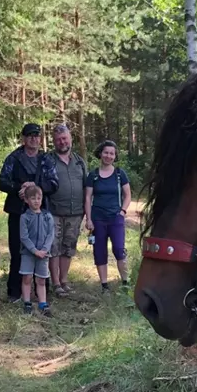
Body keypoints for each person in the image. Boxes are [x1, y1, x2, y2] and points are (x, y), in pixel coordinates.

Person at [0, 123, 58, 301]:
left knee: (41, 249)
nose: (34, 138)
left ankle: (42, 293)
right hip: (18, 211)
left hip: (42, 212)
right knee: (17, 251)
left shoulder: (46, 159)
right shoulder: (14, 158)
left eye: (37, 135)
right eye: (30, 135)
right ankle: (15, 292)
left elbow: (54, 183)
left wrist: (36, 187)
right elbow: (2, 182)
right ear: (23, 138)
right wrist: (19, 187)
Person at [84, 140, 133, 293]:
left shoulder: (120, 174)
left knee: (119, 250)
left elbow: (128, 195)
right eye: (106, 152)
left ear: (115, 156)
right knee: (99, 251)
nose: (108, 156)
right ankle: (104, 286)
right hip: (98, 219)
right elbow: (87, 198)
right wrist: (89, 219)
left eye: (112, 153)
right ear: (100, 153)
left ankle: (125, 282)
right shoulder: (93, 175)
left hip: (115, 218)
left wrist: (122, 212)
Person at [46, 124, 86, 297]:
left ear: (70, 139)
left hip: (75, 212)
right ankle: (55, 283)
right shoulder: (48, 160)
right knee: (53, 247)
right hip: (53, 211)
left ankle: (64, 280)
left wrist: (87, 212)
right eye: (58, 140)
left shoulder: (79, 161)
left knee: (68, 247)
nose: (62, 142)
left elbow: (87, 188)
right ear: (54, 142)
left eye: (64, 138)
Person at [18, 183, 55, 316]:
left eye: (39, 198)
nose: (36, 201)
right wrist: (34, 250)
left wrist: (44, 249)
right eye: (33, 198)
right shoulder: (24, 217)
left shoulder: (48, 216)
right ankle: (27, 302)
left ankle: (42, 303)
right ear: (27, 200)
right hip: (28, 253)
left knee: (41, 280)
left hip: (44, 254)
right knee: (27, 278)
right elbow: (24, 237)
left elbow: (51, 234)